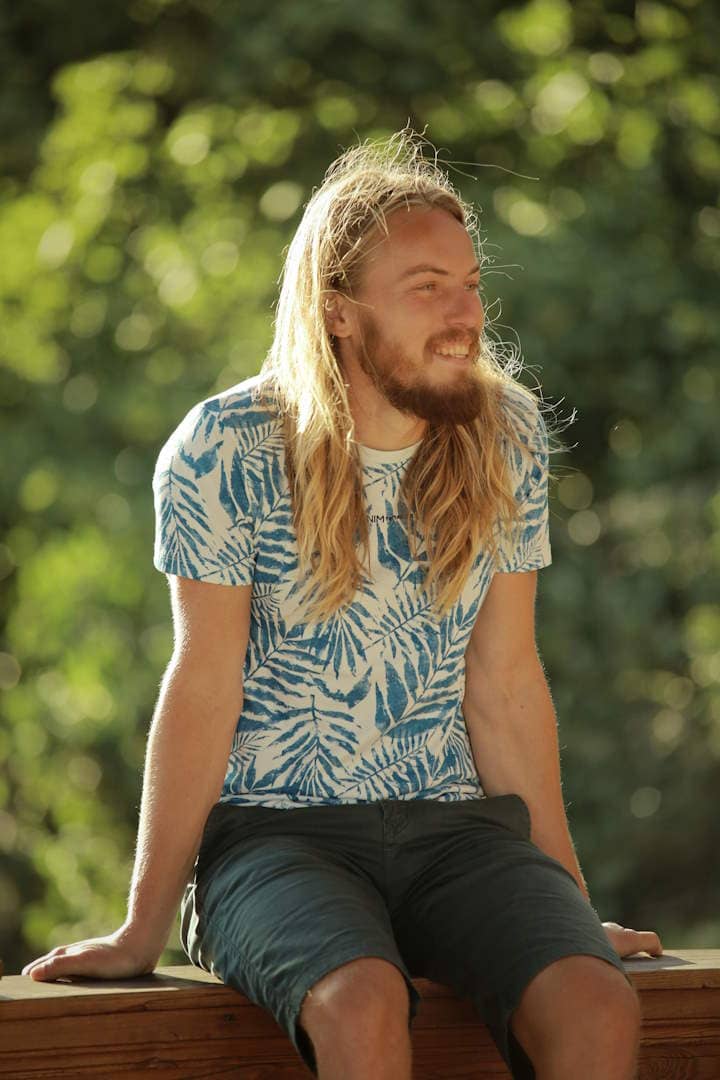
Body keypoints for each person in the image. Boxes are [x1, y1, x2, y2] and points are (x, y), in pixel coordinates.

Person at [24, 131, 663, 1080]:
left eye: (470, 282)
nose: (464, 314)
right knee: (361, 1004)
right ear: (338, 311)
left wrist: (567, 901)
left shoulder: (507, 433)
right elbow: (203, 687)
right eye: (426, 288)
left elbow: (504, 680)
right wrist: (140, 929)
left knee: (596, 1003)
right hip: (273, 840)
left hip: (460, 831)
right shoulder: (223, 446)